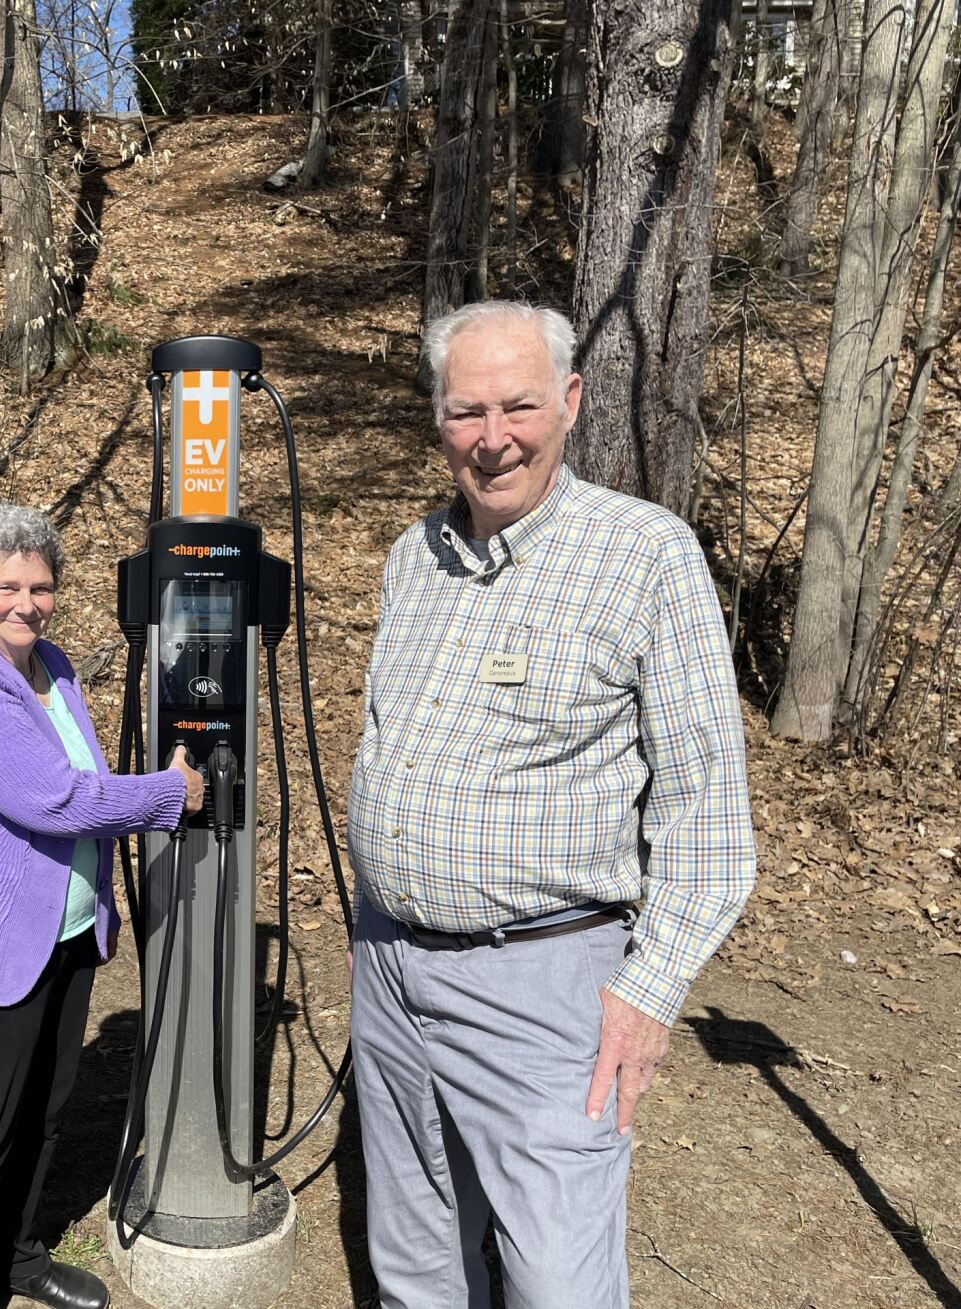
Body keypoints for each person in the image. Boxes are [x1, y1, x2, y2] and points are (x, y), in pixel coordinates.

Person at [345, 301, 756, 1308]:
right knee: (416, 1261)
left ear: (567, 401)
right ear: (436, 419)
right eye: (464, 412)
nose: (492, 440)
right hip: (388, 965)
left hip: (543, 985)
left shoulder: (643, 555)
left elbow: (707, 818)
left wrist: (648, 989)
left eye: (517, 405)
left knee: (553, 1279)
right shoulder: (414, 558)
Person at [0, 504, 204, 1309]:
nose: (25, 603)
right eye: (6, 586)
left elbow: (75, 778)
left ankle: (16, 1258)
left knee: (40, 1113)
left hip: (62, 930)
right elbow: (55, 799)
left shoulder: (54, 665)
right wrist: (167, 793)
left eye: (40, 587)